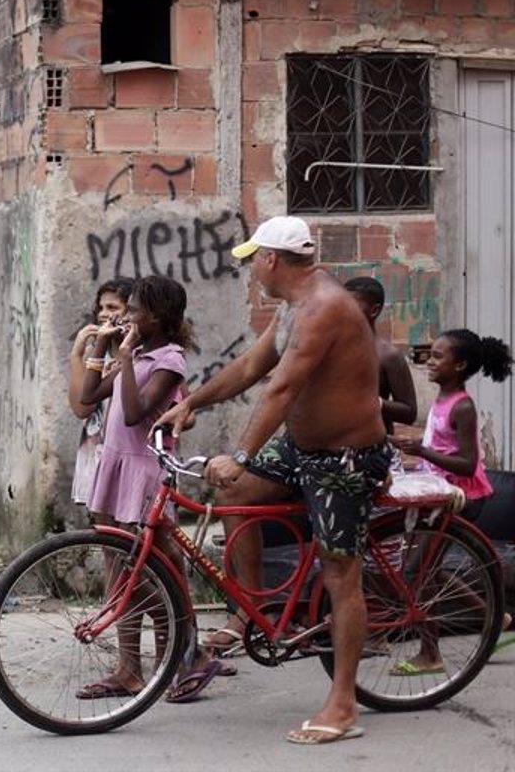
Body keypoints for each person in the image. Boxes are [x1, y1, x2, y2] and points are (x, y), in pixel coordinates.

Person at [157, 215, 392, 745]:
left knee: (340, 574)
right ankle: (255, 611)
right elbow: (249, 368)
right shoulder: (291, 307)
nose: (251, 272)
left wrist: (240, 452)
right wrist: (190, 402)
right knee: (234, 491)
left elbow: (282, 390)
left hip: (345, 458)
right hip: (302, 448)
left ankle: (344, 703)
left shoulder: (326, 307)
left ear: (271, 260)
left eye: (253, 261)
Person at [77, 275, 225, 703]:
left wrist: (123, 358)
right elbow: (89, 396)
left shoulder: (169, 360)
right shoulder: (137, 353)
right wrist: (102, 349)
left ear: (156, 317)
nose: (125, 317)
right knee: (124, 568)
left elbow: (135, 414)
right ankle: (131, 668)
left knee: (158, 569)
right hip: (114, 464)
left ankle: (176, 659)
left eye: (134, 311)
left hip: (144, 469)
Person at [390, 328, 514, 673]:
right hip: (438, 493)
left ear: (459, 365)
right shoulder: (443, 398)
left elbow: (469, 463)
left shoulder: (463, 406)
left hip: (460, 498)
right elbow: (439, 452)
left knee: (418, 572)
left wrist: (423, 450)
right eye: (430, 355)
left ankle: (431, 654)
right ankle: (497, 617)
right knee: (426, 569)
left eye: (438, 356)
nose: (429, 362)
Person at [68, 278, 133, 505]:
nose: (104, 314)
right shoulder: (95, 356)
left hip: (130, 450)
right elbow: (81, 408)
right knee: (103, 526)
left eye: (113, 308)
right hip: (97, 449)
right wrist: (77, 357)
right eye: (101, 308)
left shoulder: (141, 353)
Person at [344, 277, 417, 433]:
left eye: (351, 305)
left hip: (372, 447)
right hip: (332, 448)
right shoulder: (333, 347)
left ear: (374, 310)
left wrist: (370, 401)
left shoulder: (388, 355)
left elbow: (409, 412)